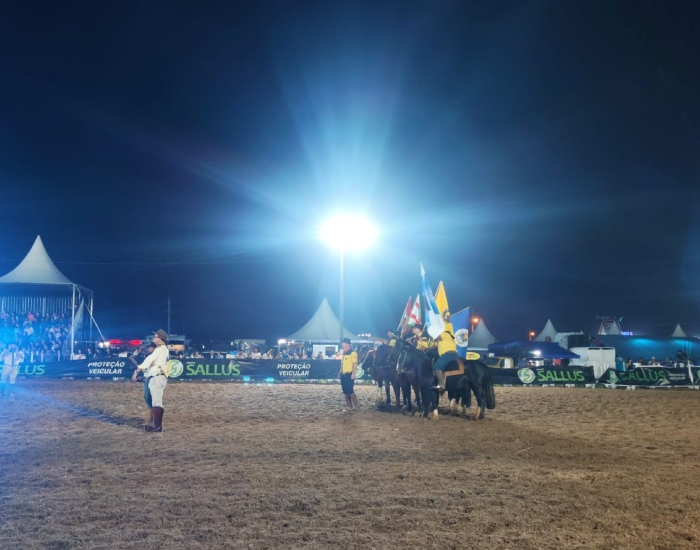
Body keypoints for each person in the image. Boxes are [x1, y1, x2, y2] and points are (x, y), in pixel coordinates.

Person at [131, 330, 169, 433]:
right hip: (156, 377)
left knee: (156, 402)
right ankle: (155, 424)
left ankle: (157, 426)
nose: (154, 338)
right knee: (155, 401)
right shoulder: (162, 349)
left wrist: (137, 371)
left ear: (161, 339)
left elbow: (149, 360)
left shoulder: (160, 349)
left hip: (157, 377)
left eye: (156, 336)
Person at [337, 337, 359, 412]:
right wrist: (340, 372)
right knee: (345, 391)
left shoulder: (353, 353)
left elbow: (355, 363)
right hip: (343, 374)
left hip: (349, 374)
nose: (342, 344)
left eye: (343, 343)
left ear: (347, 344)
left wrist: (353, 373)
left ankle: (356, 406)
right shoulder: (344, 353)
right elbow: (342, 364)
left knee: (350, 391)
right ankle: (349, 407)